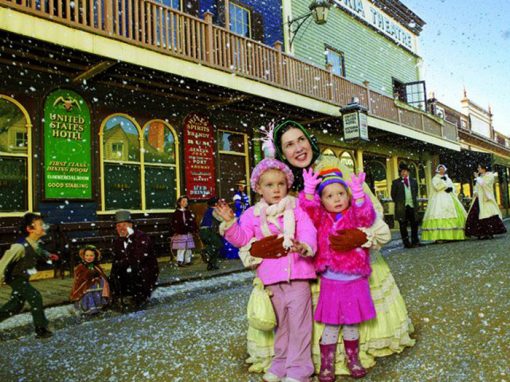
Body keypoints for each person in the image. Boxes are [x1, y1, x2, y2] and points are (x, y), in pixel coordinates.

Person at [247, 120, 414, 377]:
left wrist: (360, 237)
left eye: (301, 139)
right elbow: (258, 228)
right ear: (281, 152)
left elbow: (372, 212)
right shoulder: (279, 183)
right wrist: (258, 250)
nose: (298, 148)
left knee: (349, 316)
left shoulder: (335, 168)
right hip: (299, 271)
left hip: (347, 266)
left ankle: (346, 356)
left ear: (309, 140)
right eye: (289, 144)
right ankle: (296, 361)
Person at [215, 156, 317, 382]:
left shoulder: (296, 207)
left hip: (297, 273)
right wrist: (230, 223)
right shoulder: (253, 214)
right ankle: (280, 363)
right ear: (259, 188)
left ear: (287, 184)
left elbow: (309, 230)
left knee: (299, 325)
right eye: (269, 185)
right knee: (281, 325)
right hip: (270, 277)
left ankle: (300, 369)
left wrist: (305, 246)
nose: (276, 189)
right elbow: (242, 239)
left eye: (281, 184)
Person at [300, 160, 377, 380]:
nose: (337, 199)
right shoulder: (321, 217)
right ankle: (327, 364)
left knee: (352, 324)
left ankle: (353, 359)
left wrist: (360, 195)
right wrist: (308, 192)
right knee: (332, 325)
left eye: (341, 193)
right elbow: (309, 211)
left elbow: (367, 217)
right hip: (331, 280)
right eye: (330, 195)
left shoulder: (353, 213)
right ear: (322, 200)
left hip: (355, 278)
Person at [0, 213, 58, 338]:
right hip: (15, 278)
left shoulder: (34, 243)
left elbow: (38, 250)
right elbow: (3, 264)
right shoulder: (19, 247)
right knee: (35, 296)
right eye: (40, 225)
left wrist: (48, 255)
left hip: (23, 277)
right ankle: (41, 328)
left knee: (15, 305)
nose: (44, 227)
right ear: (29, 229)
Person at [109, 210, 159, 310]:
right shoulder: (118, 240)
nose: (121, 228)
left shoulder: (141, 237)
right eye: (118, 226)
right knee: (114, 273)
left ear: (131, 225)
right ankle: (118, 297)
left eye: (124, 225)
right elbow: (116, 259)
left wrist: (122, 263)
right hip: (128, 267)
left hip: (145, 270)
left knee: (133, 271)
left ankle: (139, 298)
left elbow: (138, 259)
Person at [421, 164, 467, 242]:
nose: (442, 170)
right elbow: (437, 187)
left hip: (449, 197)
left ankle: (453, 235)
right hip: (439, 198)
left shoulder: (448, 178)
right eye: (440, 169)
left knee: (454, 213)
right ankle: (440, 236)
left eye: (443, 169)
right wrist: (445, 186)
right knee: (439, 213)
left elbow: (452, 186)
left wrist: (451, 188)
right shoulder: (435, 178)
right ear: (438, 170)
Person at [465, 164, 507, 239]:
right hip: (479, 198)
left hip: (486, 199)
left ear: (484, 169)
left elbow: (485, 185)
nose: (478, 169)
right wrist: (475, 192)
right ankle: (481, 233)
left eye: (479, 167)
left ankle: (489, 232)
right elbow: (477, 187)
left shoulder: (489, 175)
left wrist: (477, 178)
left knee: (488, 214)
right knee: (476, 214)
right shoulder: (480, 177)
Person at [70, 245, 110, 315]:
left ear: (95, 256)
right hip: (86, 288)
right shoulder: (80, 267)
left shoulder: (96, 266)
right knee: (88, 294)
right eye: (87, 255)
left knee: (97, 293)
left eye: (91, 256)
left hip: (97, 287)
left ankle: (98, 306)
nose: (89, 258)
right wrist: (89, 273)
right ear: (84, 256)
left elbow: (102, 275)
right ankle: (89, 308)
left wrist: (99, 277)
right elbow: (80, 279)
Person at [391, 163, 421, 248]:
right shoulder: (396, 182)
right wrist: (400, 202)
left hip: (412, 206)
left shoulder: (414, 181)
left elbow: (415, 193)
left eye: (405, 171)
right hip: (402, 207)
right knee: (403, 226)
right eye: (401, 171)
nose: (403, 173)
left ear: (408, 172)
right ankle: (407, 243)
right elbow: (393, 195)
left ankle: (415, 241)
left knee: (414, 224)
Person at [170, 196, 198, 266]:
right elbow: (174, 223)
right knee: (181, 247)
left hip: (188, 232)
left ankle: (188, 260)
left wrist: (193, 228)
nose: (185, 203)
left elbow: (192, 222)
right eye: (183, 201)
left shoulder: (188, 212)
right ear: (179, 203)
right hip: (180, 232)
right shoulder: (176, 213)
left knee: (188, 247)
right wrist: (177, 230)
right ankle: (180, 261)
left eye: (186, 201)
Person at [199, 197, 223, 270]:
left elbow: (201, 222)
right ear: (215, 204)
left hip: (203, 231)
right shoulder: (214, 210)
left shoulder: (208, 211)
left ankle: (211, 264)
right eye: (218, 202)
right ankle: (206, 251)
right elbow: (220, 219)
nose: (220, 203)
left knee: (214, 245)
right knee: (218, 245)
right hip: (208, 230)